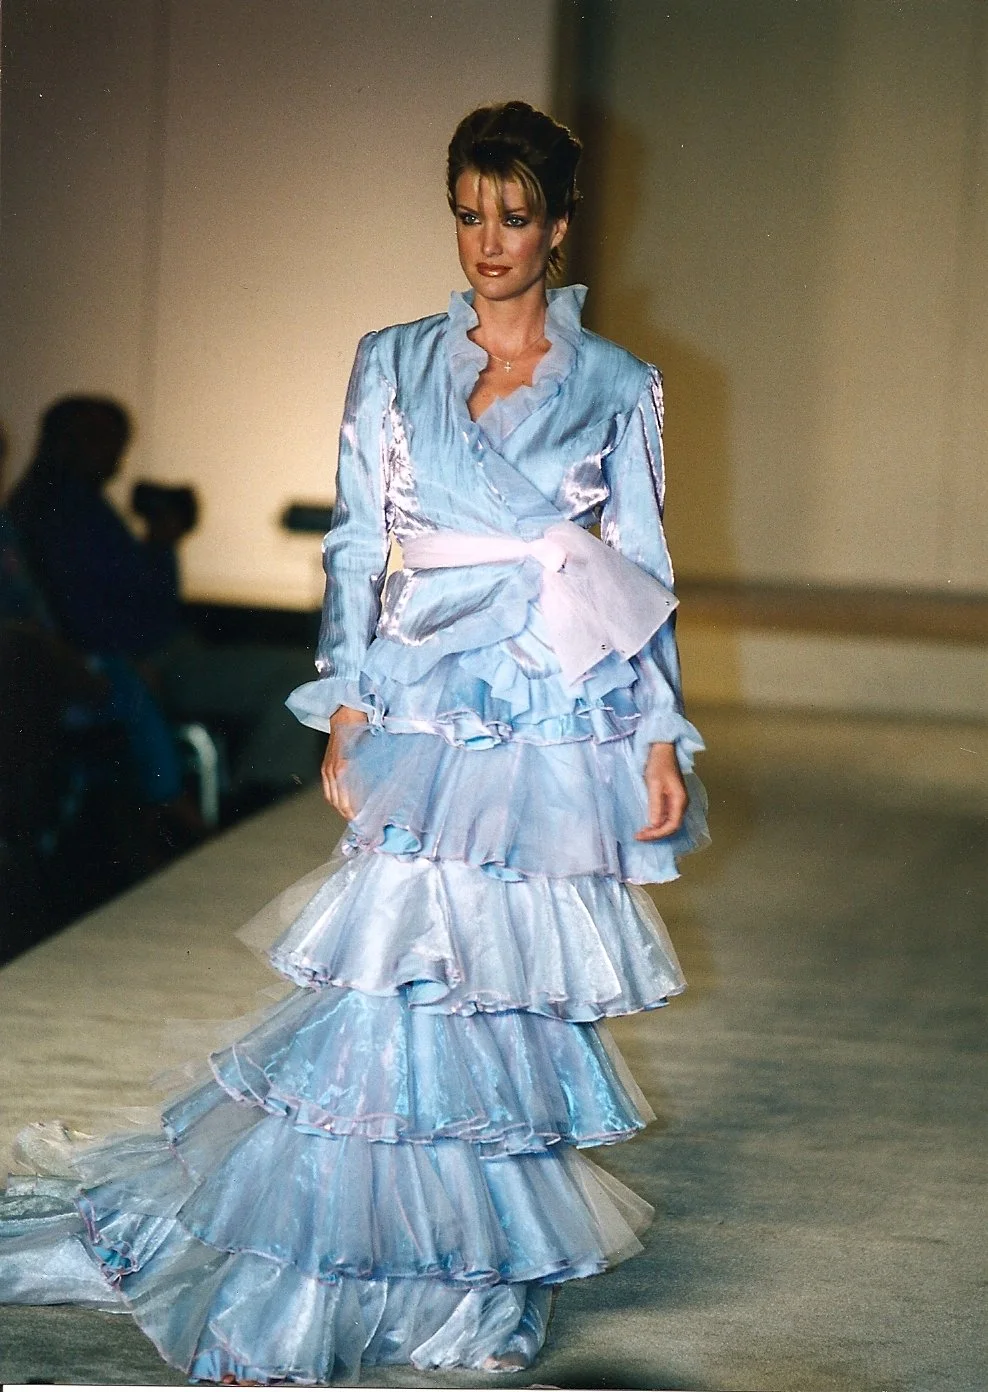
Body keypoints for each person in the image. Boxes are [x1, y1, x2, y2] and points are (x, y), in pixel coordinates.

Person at [0, 101, 707, 1381]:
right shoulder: (391, 360)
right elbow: (355, 541)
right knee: (395, 965)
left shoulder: (616, 383)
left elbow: (640, 568)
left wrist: (658, 733)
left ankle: (467, 1258)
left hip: (547, 705)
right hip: (424, 697)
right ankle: (348, 1232)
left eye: (513, 216)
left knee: (505, 979)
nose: (486, 241)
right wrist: (347, 700)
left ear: (557, 224)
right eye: (467, 213)